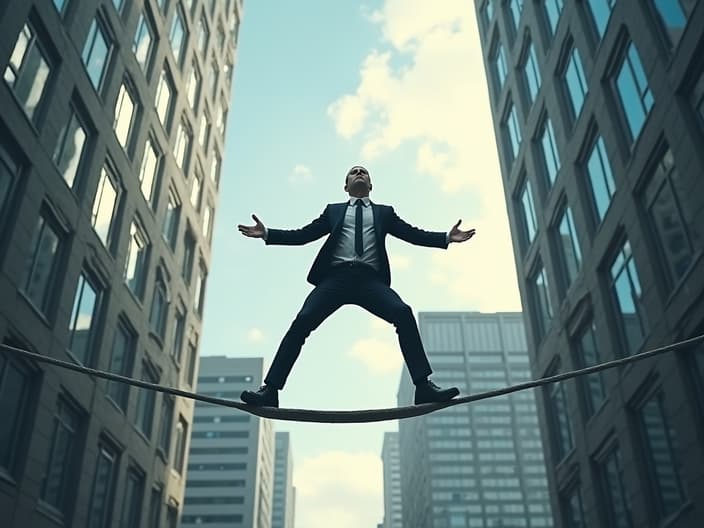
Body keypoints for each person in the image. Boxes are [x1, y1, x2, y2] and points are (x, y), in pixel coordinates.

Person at [237, 165, 476, 407]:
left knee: (403, 313)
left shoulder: (385, 212)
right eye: (354, 172)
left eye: (364, 172)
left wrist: (445, 237)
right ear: (346, 186)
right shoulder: (333, 211)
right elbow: (303, 235)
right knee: (302, 321)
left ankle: (423, 387)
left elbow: (412, 234)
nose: (359, 173)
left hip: (369, 280)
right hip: (335, 279)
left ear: (371, 185)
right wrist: (267, 233)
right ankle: (271, 390)